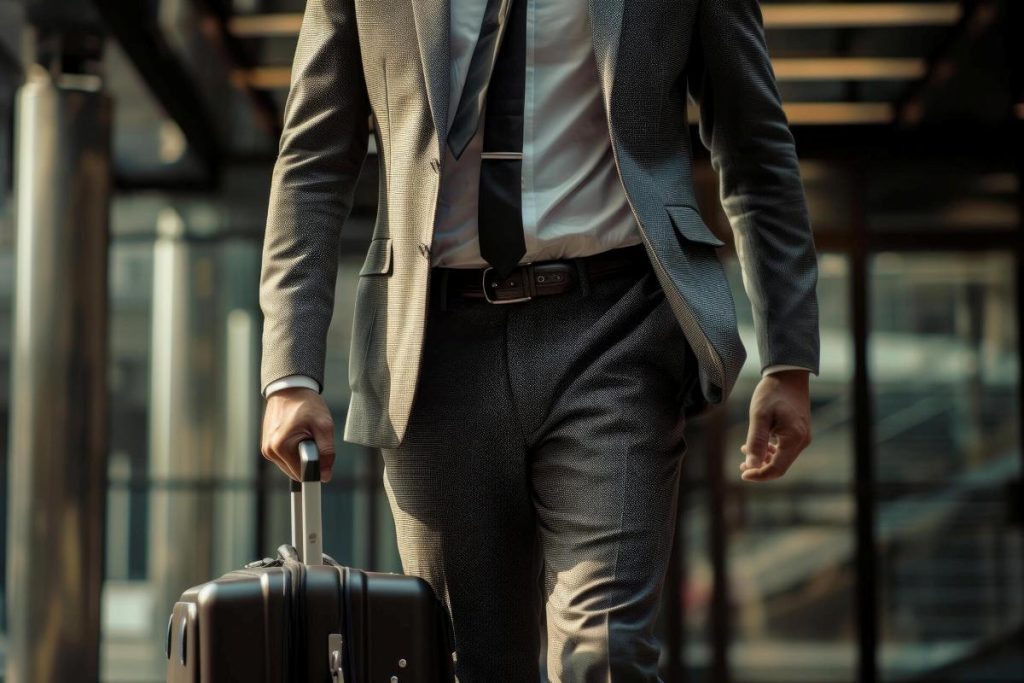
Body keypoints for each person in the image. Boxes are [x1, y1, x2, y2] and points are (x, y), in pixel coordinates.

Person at [258, 0, 819, 679]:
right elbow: (314, 156)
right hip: (434, 354)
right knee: (468, 661)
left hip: (616, 332)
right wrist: (291, 372)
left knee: (604, 654)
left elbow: (754, 143)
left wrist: (787, 356)